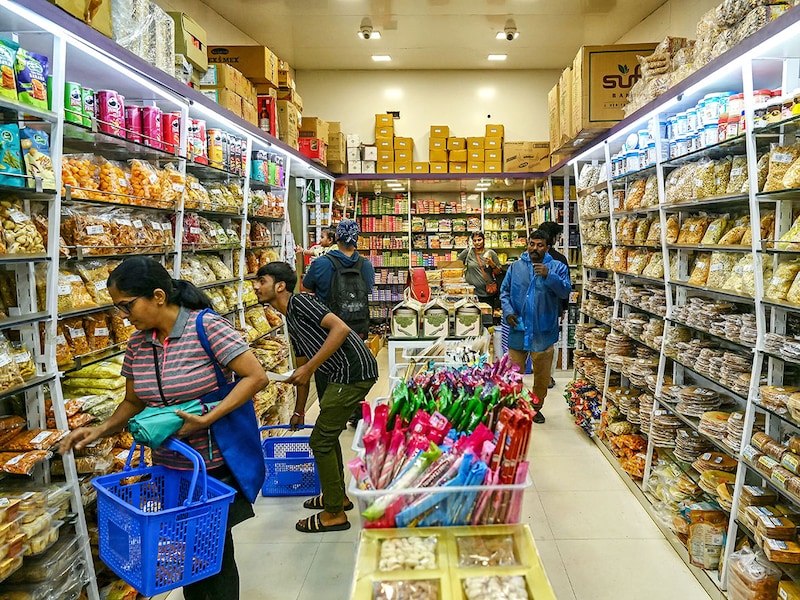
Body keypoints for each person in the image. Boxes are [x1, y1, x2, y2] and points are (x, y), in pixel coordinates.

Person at [59, 257, 268, 600]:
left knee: (210, 556)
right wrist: (100, 430)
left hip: (213, 466)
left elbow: (255, 377)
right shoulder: (137, 345)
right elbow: (132, 402)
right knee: (193, 555)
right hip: (169, 470)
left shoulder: (206, 327)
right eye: (118, 308)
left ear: (158, 296)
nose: (123, 316)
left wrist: (208, 417)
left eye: (127, 305)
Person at [254, 261, 378, 533]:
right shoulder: (290, 318)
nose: (256, 287)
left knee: (320, 441)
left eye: (261, 281)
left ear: (280, 286)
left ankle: (334, 513)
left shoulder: (301, 303)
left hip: (352, 373)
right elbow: (301, 369)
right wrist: (298, 410)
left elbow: (340, 329)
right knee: (326, 437)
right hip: (338, 375)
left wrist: (310, 367)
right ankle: (337, 498)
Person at [302, 219, 375, 427]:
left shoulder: (321, 263)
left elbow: (307, 288)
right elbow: (368, 289)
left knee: (326, 370)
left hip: (327, 329)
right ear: (357, 238)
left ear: (337, 238)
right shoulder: (366, 264)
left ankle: (331, 417)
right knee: (355, 370)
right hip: (357, 327)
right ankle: (356, 414)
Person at [500, 230, 571, 424]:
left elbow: (565, 292)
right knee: (513, 373)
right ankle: (515, 407)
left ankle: (535, 408)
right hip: (518, 328)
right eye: (532, 244)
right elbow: (504, 292)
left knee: (542, 376)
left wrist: (549, 276)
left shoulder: (557, 267)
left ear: (547, 247)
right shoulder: (515, 267)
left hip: (543, 331)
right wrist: (508, 311)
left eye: (540, 245)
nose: (535, 248)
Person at [538, 221, 571, 389]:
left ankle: (537, 374)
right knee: (551, 343)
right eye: (557, 236)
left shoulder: (531, 257)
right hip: (553, 308)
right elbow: (566, 287)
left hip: (534, 307)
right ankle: (548, 376)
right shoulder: (560, 259)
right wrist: (564, 307)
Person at [457, 231, 502, 310]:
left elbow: (498, 272)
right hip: (471, 293)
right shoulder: (468, 252)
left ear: (484, 240)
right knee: (472, 314)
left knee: (486, 315)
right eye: (475, 240)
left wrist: (492, 264)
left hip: (487, 293)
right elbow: (457, 264)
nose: (477, 242)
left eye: (479, 240)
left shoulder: (491, 253)